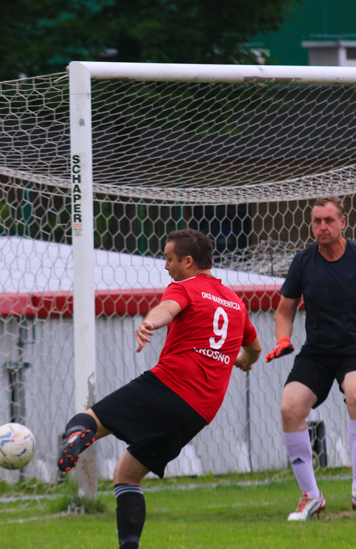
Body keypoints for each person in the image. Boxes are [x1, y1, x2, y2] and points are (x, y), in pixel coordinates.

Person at [57, 228, 262, 548]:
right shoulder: (237, 304)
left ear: (188, 262)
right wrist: (242, 359)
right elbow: (256, 348)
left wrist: (150, 322)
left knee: (85, 420)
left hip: (168, 386)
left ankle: (76, 437)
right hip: (198, 413)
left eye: (169, 259)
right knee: (126, 476)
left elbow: (167, 309)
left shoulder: (184, 288)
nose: (166, 266)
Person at [266, 196, 356, 521]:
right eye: (317, 221)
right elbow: (284, 311)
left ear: (342, 222)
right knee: (290, 408)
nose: (322, 227)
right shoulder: (303, 262)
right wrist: (283, 338)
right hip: (317, 352)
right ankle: (311, 497)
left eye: (329, 220)